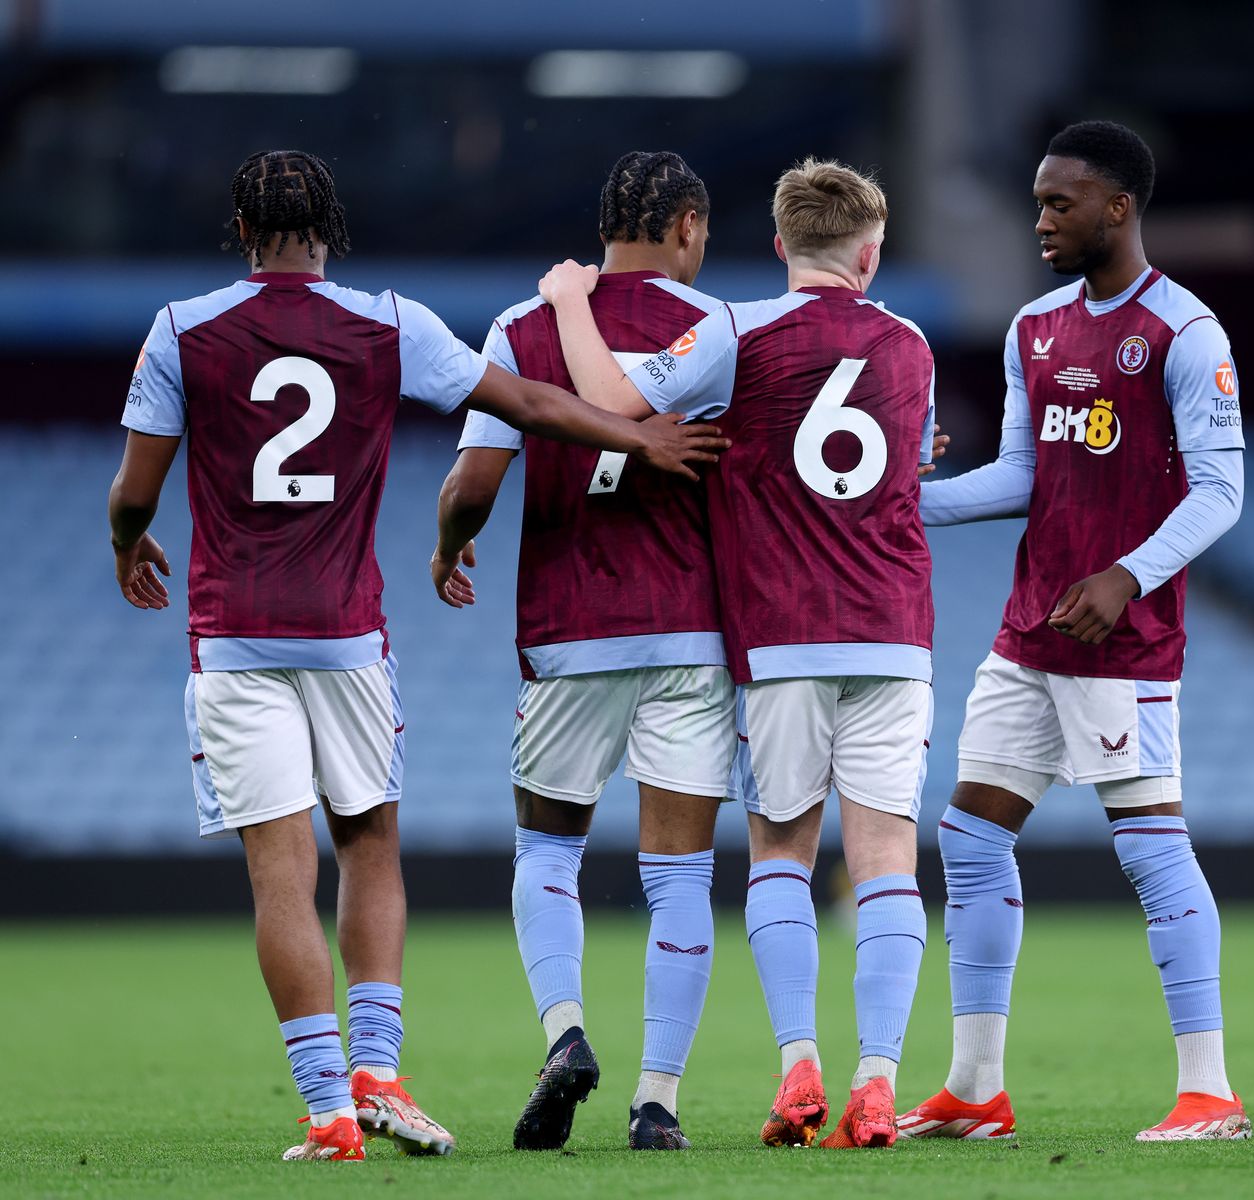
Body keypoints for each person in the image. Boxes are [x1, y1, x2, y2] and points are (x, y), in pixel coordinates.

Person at [107, 149, 725, 1163]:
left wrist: (130, 542)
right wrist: (640, 437)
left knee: (280, 876)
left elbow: (136, 490)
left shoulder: (182, 331)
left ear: (240, 226)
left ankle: (328, 1114)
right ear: (329, 226)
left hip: (235, 637)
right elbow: (525, 402)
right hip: (349, 636)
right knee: (372, 849)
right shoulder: (389, 321)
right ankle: (380, 1074)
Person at [536, 157, 937, 1149]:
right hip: (895, 632)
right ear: (872, 253)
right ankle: (878, 1079)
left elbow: (612, 400)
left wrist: (568, 302)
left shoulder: (732, 329)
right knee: (886, 858)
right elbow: (918, 464)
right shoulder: (913, 345)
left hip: (785, 637)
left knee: (781, 854)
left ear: (779, 247)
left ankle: (798, 1064)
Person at [894, 120, 1248, 1143]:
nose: (1042, 220)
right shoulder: (1036, 328)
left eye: (1062, 203)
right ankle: (975, 1089)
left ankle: (1210, 1091)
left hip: (1120, 643)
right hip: (1029, 632)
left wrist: (1128, 576)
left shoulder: (1186, 332)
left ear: (1119, 208)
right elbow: (1020, 477)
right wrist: (903, 502)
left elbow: (1224, 491)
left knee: (1150, 848)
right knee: (967, 836)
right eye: (1039, 201)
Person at [433, 150, 729, 1152]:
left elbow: (473, 485)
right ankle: (658, 1103)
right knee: (681, 878)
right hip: (689, 632)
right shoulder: (717, 330)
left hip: (569, 636)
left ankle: (565, 1036)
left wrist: (448, 541)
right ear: (687, 225)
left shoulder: (522, 327)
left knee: (548, 852)